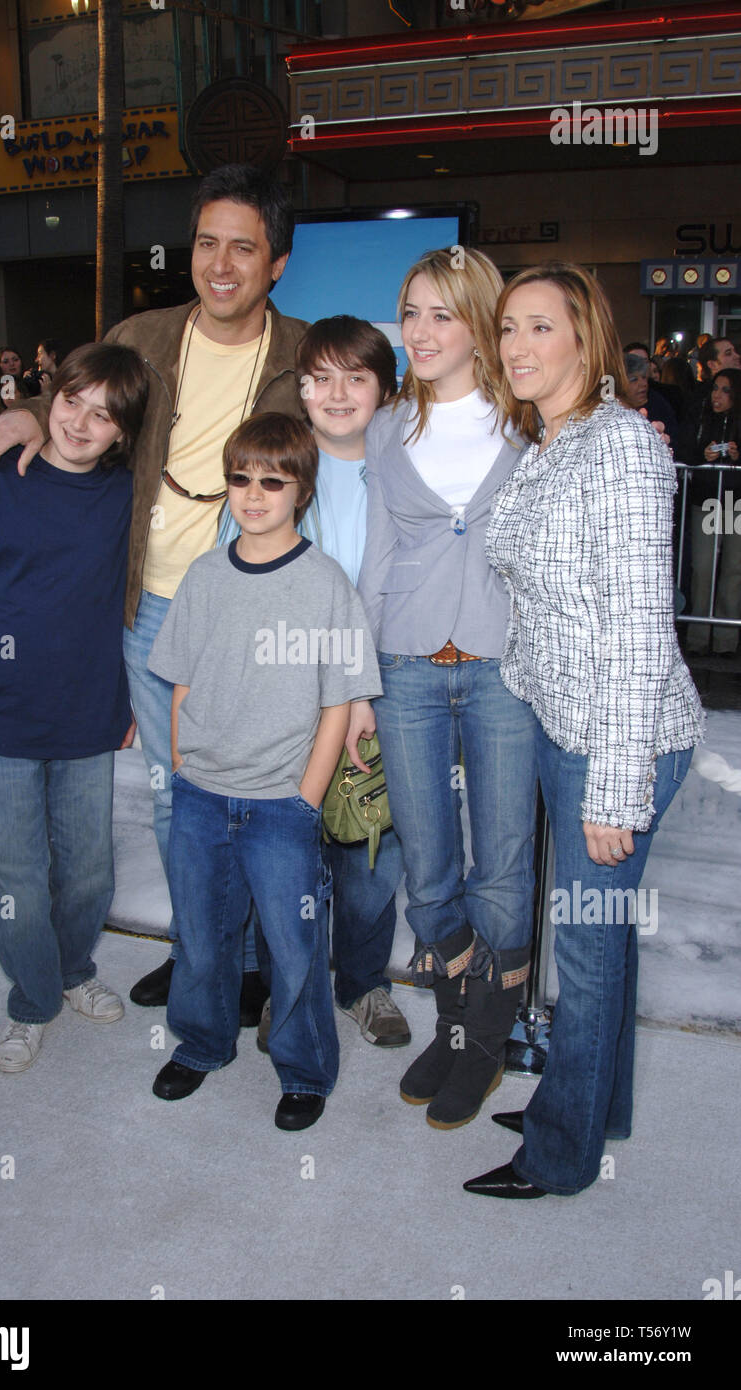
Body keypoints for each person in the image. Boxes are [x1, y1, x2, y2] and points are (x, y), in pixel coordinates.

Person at [0, 164, 308, 1022]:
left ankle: (255, 967)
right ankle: (205, 955)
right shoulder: (145, 331)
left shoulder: (304, 351)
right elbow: (87, 389)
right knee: (173, 802)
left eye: (244, 246)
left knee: (255, 797)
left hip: (242, 619)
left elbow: (370, 415)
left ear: (276, 263)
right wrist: (27, 408)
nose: (220, 263)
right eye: (206, 243)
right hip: (145, 615)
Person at [465, 263, 703, 1199]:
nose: (518, 346)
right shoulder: (551, 443)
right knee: (603, 941)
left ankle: (562, 1155)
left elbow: (641, 626)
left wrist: (614, 788)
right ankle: (594, 1103)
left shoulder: (619, 449)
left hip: (621, 742)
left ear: (584, 340)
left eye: (539, 328)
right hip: (570, 732)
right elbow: (541, 607)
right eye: (509, 329)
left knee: (587, 950)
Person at [148, 412, 381, 1131]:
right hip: (201, 797)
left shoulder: (325, 583)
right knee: (201, 933)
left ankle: (305, 1071)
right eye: (240, 479)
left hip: (282, 804)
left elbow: (339, 701)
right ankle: (201, 1042)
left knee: (294, 947)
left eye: (272, 482)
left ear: (301, 490)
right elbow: (180, 680)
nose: (253, 495)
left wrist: (305, 799)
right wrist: (185, 763)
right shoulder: (204, 575)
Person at [0, 343, 149, 1074]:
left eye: (105, 416)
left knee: (87, 872)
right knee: (14, 875)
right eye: (73, 401)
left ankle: (73, 969)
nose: (82, 423)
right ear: (50, 397)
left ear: (123, 432)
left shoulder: (124, 497)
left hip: (89, 711)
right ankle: (32, 999)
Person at [355, 248, 539, 1131]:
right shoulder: (388, 427)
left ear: (477, 323)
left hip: (505, 669)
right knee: (427, 875)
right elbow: (379, 556)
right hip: (406, 668)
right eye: (409, 311)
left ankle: (480, 1043)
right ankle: (457, 1022)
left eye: (439, 314)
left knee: (500, 869)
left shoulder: (532, 424)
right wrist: (356, 678)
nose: (419, 332)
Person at [222, 315, 411, 1048]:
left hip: (387, 694)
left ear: (384, 389)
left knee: (369, 858)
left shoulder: (405, 467)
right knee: (287, 858)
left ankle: (364, 985)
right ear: (298, 389)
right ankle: (287, 991)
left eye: (355, 377)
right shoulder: (275, 466)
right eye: (320, 377)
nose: (337, 394)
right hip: (288, 698)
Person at [686, 367, 741, 656]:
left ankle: (726, 641)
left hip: (734, 500)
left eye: (725, 390)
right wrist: (701, 455)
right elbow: (686, 451)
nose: (717, 395)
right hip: (708, 498)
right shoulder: (701, 415)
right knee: (704, 568)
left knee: (733, 570)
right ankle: (697, 636)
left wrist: (736, 455)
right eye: (715, 388)